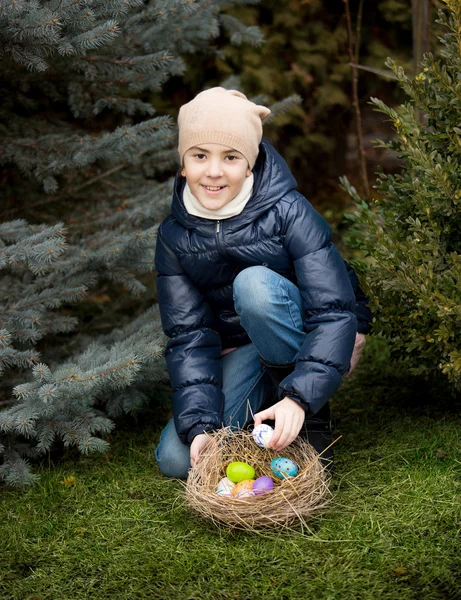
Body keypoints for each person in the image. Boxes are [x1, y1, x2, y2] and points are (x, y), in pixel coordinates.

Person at [154, 87, 371, 479]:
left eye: (231, 157)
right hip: (246, 349)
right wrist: (201, 424)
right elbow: (188, 335)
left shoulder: (288, 211)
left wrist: (301, 398)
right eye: (200, 156)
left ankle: (307, 419)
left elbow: (334, 311)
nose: (214, 171)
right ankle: (267, 398)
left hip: (301, 330)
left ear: (250, 164)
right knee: (175, 458)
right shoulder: (173, 235)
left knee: (253, 285)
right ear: (183, 165)